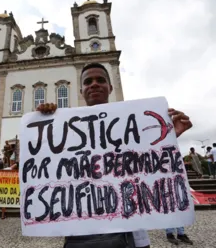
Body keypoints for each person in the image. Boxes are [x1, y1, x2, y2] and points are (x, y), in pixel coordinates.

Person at [37, 63, 193, 248]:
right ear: (81, 90)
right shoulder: (66, 127)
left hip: (131, 233)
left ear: (110, 87)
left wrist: (168, 138)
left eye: (100, 80)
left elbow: (148, 165)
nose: (94, 84)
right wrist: (45, 120)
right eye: (88, 81)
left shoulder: (133, 122)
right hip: (82, 232)